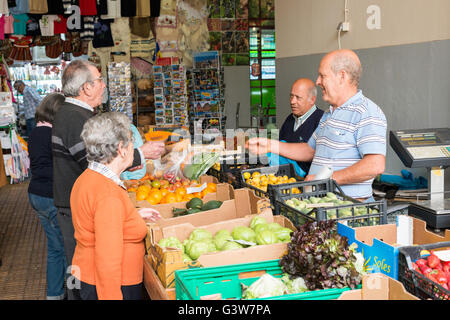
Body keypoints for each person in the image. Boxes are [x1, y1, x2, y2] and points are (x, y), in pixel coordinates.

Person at [51, 59, 165, 297]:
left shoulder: (90, 180)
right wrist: (140, 154)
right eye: (100, 80)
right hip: (106, 281)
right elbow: (107, 259)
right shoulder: (75, 118)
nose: (104, 85)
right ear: (86, 87)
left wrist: (128, 216)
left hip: (90, 269)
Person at [247, 49, 387, 202]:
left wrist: (325, 179)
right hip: (320, 203)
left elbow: (375, 165)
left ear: (342, 76)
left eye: (322, 75)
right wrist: (270, 145)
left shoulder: (366, 112)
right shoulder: (329, 114)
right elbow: (309, 150)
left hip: (348, 207)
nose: (318, 81)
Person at [70, 112, 161, 300]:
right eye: (131, 142)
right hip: (112, 286)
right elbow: (107, 260)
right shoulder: (108, 194)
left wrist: (131, 216)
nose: (133, 148)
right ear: (121, 148)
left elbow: (97, 223)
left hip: (85, 275)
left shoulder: (86, 179)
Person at [27, 93, 66, 300]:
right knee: (63, 248)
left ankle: (56, 293)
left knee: (54, 247)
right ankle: (63, 292)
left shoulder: (34, 132)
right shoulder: (53, 135)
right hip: (51, 195)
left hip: (35, 194)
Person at [275, 78, 324, 177]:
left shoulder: (322, 120)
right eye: (291, 96)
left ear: (312, 100)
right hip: (284, 179)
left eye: (298, 97)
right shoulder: (289, 120)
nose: (293, 101)